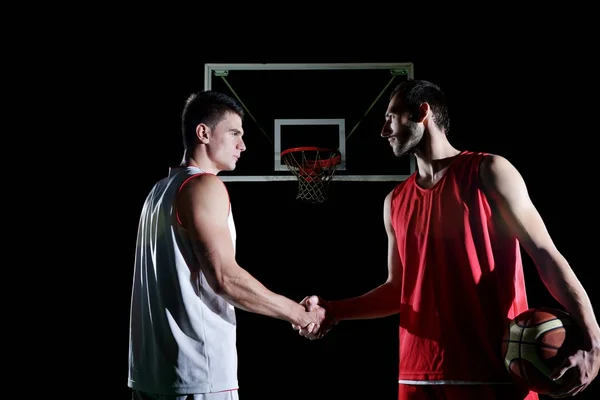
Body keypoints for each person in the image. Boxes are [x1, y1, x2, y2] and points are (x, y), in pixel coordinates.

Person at [294, 79, 600, 399]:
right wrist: (335, 310)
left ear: (422, 112)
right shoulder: (394, 201)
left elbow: (545, 255)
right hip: (417, 379)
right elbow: (399, 290)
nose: (384, 131)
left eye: (391, 118)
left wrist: (593, 337)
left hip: (491, 374)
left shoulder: (490, 171)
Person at [128, 90, 325, 400]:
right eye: (234, 133)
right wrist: (299, 315)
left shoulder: (157, 193)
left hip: (150, 377)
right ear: (203, 133)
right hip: (197, 376)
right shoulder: (204, 186)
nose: (242, 145)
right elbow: (224, 278)